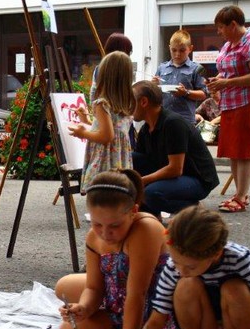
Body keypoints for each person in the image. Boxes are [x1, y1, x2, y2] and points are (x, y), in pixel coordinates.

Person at [125, 205, 250, 329]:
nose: (180, 270)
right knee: (186, 284)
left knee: (233, 288)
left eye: (191, 266)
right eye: (175, 261)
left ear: (216, 254)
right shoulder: (174, 267)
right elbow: (158, 315)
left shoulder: (240, 259)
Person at [55, 170, 171, 329]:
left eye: (115, 226)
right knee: (63, 286)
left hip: (150, 306)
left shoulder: (145, 230)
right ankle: (99, 312)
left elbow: (138, 294)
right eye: (97, 224)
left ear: (133, 211)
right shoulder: (93, 237)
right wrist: (84, 308)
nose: (105, 233)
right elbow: (93, 287)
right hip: (117, 292)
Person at [207, 5, 250, 213]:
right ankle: (239, 194)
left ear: (233, 25)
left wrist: (225, 83)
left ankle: (241, 196)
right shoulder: (230, 44)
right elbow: (227, 71)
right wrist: (219, 79)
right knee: (234, 151)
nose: (219, 32)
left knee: (243, 151)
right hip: (231, 101)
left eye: (221, 28)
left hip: (247, 100)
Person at [131, 81, 219, 217]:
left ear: (143, 102)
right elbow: (140, 162)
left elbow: (175, 169)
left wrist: (142, 181)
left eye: (131, 102)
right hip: (174, 174)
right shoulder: (145, 129)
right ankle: (150, 215)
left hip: (196, 179)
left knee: (150, 193)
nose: (128, 107)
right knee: (132, 159)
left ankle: (194, 210)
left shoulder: (173, 123)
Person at [68, 51, 135, 193]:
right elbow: (110, 127)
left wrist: (83, 133)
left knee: (101, 195)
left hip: (105, 160)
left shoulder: (101, 103)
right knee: (116, 196)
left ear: (104, 76)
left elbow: (106, 136)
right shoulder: (127, 103)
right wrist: (86, 120)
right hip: (118, 159)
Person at [153, 29, 209, 125]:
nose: (177, 54)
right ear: (169, 48)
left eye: (182, 50)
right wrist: (154, 86)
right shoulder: (162, 68)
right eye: (174, 50)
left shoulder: (196, 68)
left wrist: (186, 93)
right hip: (163, 119)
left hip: (185, 121)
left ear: (190, 49)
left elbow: (204, 94)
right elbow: (155, 96)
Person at [87, 33, 133, 104]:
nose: (128, 56)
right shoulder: (102, 69)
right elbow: (94, 94)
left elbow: (93, 96)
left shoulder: (99, 69)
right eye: (127, 52)